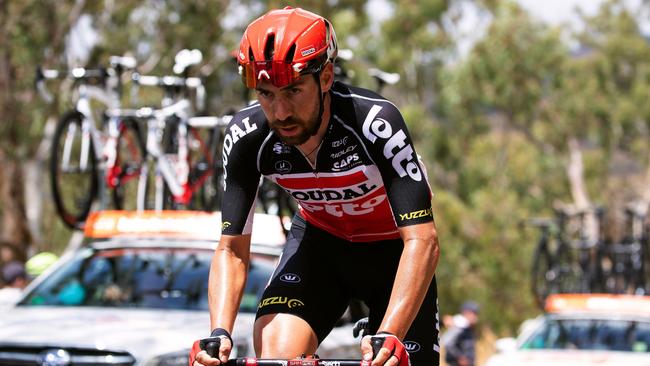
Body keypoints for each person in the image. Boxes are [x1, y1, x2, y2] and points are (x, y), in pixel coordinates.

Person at [190, 6, 440, 366]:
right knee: (277, 351)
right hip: (319, 246)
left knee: (391, 359)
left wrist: (390, 335)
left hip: (394, 252)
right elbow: (231, 249)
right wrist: (219, 334)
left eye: (292, 90)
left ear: (325, 77)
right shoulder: (247, 136)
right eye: (266, 93)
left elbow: (423, 240)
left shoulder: (374, 122)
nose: (279, 112)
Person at [441, 301, 480, 366]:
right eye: (474, 313)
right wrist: (460, 357)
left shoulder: (467, 327)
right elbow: (447, 342)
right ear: (466, 313)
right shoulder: (460, 326)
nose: (476, 316)